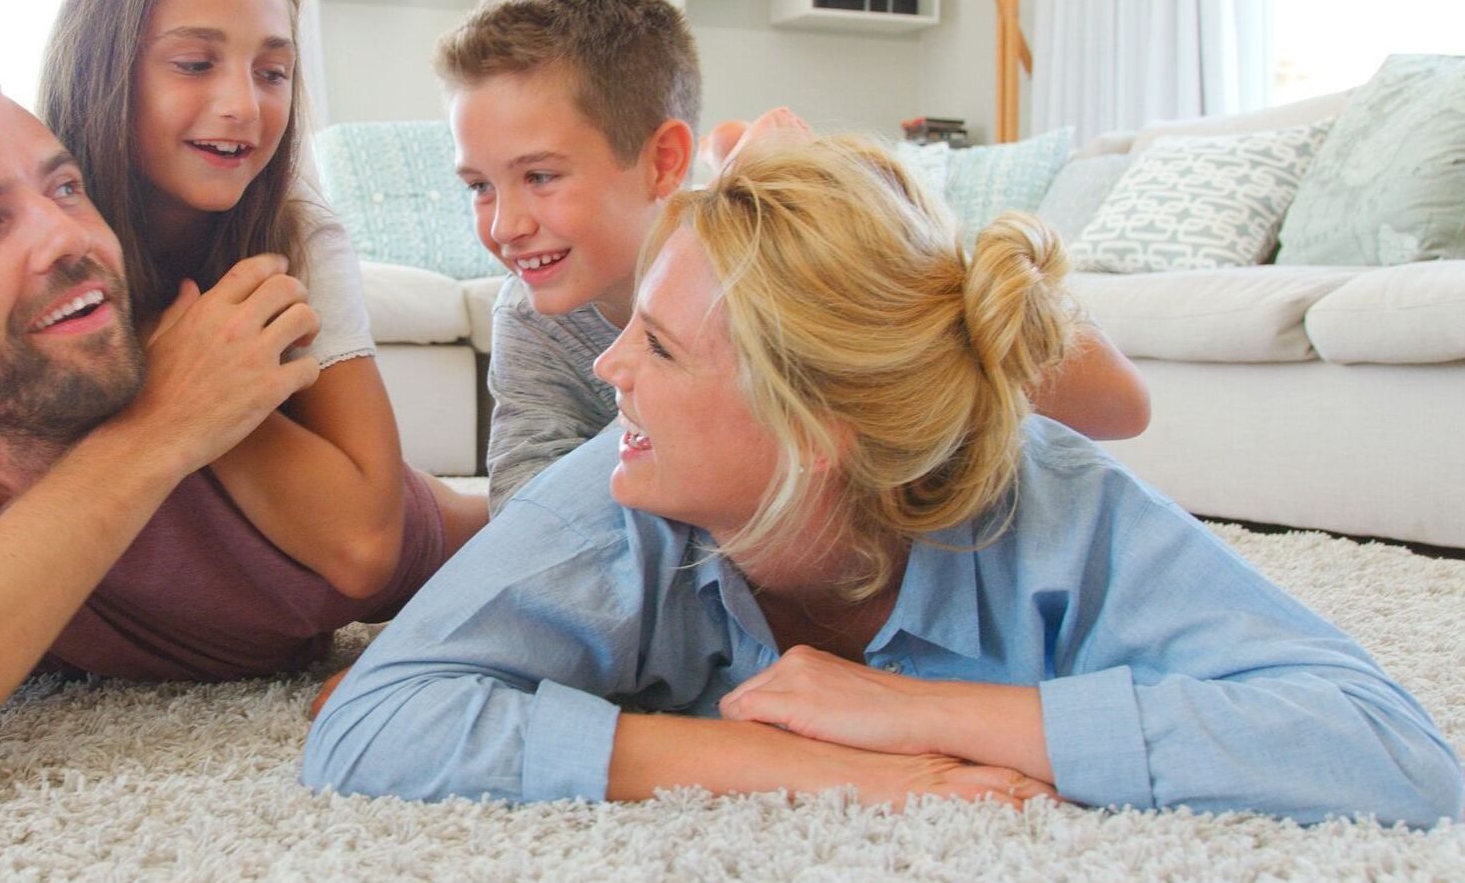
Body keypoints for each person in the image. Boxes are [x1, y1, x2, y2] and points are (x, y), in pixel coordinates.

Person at [303, 135, 1463, 826]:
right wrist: (798, 765)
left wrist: (927, 711)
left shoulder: (1054, 500)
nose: (611, 370)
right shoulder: (617, 492)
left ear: (814, 431)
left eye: (657, 347)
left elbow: (1391, 750)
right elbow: (371, 723)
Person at [0, 77, 341, 807]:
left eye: (67, 188)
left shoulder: (244, 451)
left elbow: (501, 531)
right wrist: (154, 437)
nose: (67, 234)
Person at [440, 0, 1149, 515]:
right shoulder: (533, 316)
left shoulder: (789, 265)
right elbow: (525, 517)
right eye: (478, 186)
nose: (503, 225)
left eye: (538, 176)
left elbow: (1120, 407)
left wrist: (870, 234)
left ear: (661, 162)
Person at [36, 0, 485, 585]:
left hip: (390, 520)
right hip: (207, 535)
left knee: (517, 531)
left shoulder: (295, 228)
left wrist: (186, 374)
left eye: (272, 72)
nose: (243, 106)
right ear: (99, 68)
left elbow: (367, 545)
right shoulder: (32, 214)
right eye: (193, 63)